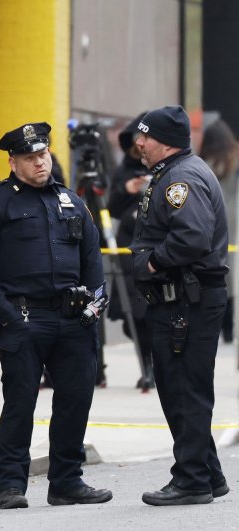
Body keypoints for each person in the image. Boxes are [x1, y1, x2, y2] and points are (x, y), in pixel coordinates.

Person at [0, 122, 112, 510]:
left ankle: (66, 482)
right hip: (24, 320)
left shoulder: (71, 201)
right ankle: (11, 485)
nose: (39, 163)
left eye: (43, 155)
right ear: (13, 162)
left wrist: (96, 304)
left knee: (74, 402)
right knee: (20, 404)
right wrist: (6, 316)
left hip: (74, 321)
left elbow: (92, 259)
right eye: (30, 158)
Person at [131, 105, 230, 506]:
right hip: (183, 300)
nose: (138, 142)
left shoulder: (182, 178)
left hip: (186, 301)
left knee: (184, 391)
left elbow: (192, 238)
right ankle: (207, 473)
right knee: (181, 388)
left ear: (166, 142)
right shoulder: (175, 172)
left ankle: (190, 481)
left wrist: (152, 261)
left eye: (145, 136)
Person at [105, 112, 155, 387]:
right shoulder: (123, 170)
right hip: (127, 246)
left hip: (153, 246)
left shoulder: (163, 167)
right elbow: (111, 206)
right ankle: (147, 362)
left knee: (148, 314)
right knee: (130, 318)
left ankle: (151, 367)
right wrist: (128, 188)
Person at [199, 118, 239, 343]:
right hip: (234, 221)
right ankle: (231, 333)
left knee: (219, 273)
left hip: (212, 222)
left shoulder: (202, 164)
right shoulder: (234, 162)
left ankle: (219, 326)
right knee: (233, 276)